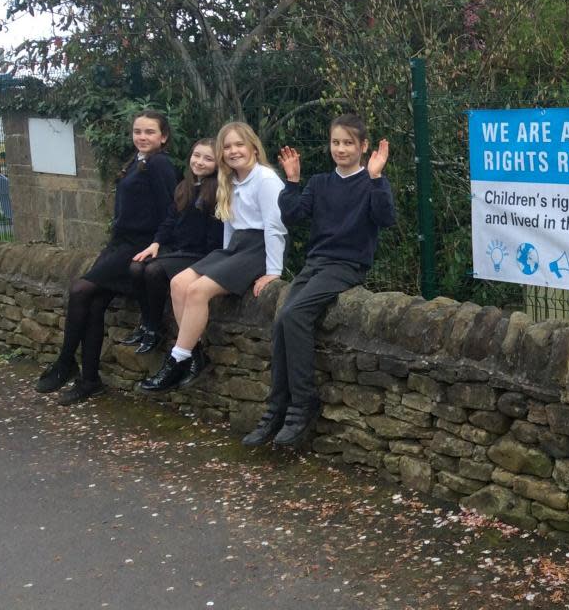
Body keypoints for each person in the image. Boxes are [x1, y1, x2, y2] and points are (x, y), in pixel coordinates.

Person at [242, 114, 396, 447]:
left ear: (363, 146)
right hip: (316, 263)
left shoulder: (370, 183)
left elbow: (386, 218)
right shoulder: (321, 183)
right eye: (335, 142)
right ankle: (276, 408)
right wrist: (293, 181)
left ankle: (302, 405)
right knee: (283, 318)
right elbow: (293, 215)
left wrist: (376, 177)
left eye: (348, 143)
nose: (340, 149)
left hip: (347, 266)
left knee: (296, 315)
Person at [35, 110, 179, 404]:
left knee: (80, 290)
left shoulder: (160, 164)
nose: (142, 137)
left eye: (150, 132)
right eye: (138, 131)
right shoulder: (137, 161)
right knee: (95, 302)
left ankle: (65, 363)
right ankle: (89, 380)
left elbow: (170, 210)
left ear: (163, 137)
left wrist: (157, 245)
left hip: (138, 247)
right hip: (119, 244)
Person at [139, 121, 287, 392]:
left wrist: (274, 271)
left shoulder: (266, 179)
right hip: (235, 247)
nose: (233, 151)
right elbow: (230, 222)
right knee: (178, 283)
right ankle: (193, 354)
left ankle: (176, 359)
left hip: (258, 248)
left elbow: (275, 228)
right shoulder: (229, 179)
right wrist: (224, 257)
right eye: (227, 146)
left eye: (239, 144)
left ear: (253, 146)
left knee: (197, 291)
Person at [121, 138, 225, 354]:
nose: (200, 162)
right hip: (178, 249)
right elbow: (169, 221)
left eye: (208, 158)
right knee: (136, 266)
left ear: (218, 164)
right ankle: (149, 324)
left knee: (153, 271)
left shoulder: (217, 191)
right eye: (196, 156)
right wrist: (156, 243)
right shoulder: (184, 186)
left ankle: (155, 328)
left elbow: (215, 237)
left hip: (201, 255)